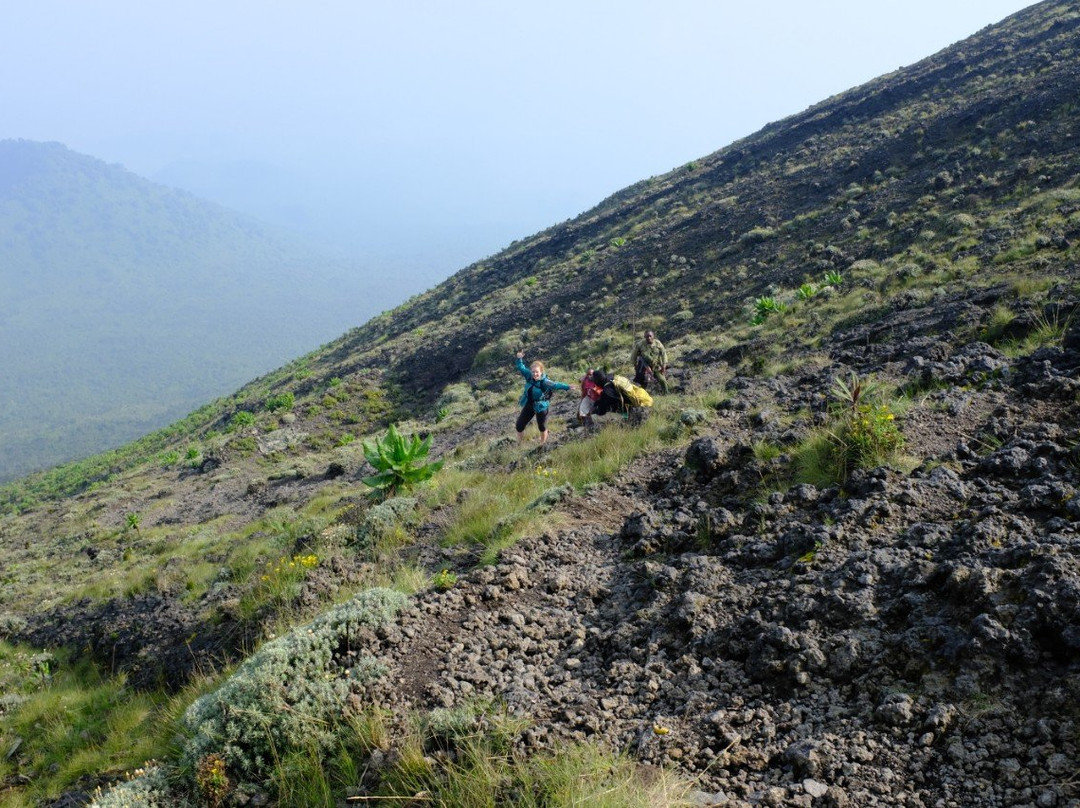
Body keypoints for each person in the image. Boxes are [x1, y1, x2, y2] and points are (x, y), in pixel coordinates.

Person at [514, 351, 571, 444]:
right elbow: (521, 368)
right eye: (533, 372)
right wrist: (519, 358)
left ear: (541, 372)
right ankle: (519, 444)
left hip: (541, 405)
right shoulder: (529, 375)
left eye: (537, 372)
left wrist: (567, 387)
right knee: (519, 425)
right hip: (529, 403)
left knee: (542, 426)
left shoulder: (545, 381)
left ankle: (542, 444)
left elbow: (556, 385)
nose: (534, 374)